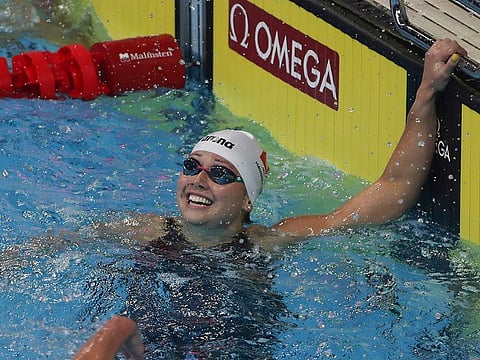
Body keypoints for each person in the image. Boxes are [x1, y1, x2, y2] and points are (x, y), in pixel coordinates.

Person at [74, 38, 466, 359]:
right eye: (192, 166)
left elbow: (391, 191)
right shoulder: (141, 230)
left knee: (119, 328)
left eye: (221, 173)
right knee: (119, 328)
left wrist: (427, 92)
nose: (199, 180)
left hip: (235, 349)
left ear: (248, 200)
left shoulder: (266, 242)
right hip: (156, 348)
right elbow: (47, 248)